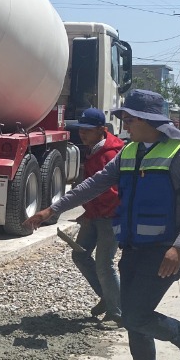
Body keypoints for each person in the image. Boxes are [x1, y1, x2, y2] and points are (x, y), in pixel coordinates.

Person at [29, 89, 180, 360]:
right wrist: (53, 209)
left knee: (137, 315)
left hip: (164, 251)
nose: (124, 126)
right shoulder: (129, 152)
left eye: (128, 119)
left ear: (147, 120)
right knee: (131, 317)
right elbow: (93, 185)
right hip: (133, 247)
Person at [63, 108, 125, 324]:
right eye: (81, 130)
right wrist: (88, 213)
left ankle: (117, 313)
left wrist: (91, 213)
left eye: (88, 130)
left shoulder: (109, 154)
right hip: (95, 215)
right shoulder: (94, 149)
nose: (83, 134)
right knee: (80, 255)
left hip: (110, 217)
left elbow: (111, 195)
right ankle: (109, 298)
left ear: (102, 130)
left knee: (104, 263)